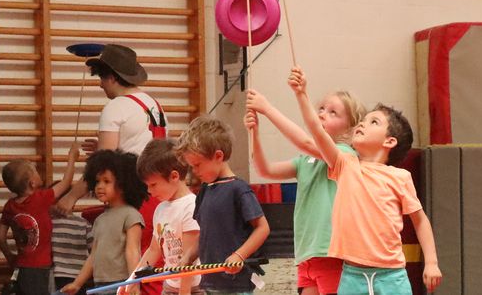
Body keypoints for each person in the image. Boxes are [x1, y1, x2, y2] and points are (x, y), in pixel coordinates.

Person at [288, 66, 443, 294]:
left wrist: (431, 262)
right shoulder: (344, 164)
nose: (362, 124)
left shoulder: (400, 177)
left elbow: (420, 221)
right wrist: (301, 95)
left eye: (373, 122)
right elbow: (317, 132)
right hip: (351, 276)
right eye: (363, 121)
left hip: (391, 276)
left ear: (389, 141)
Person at [56, 43, 168, 295]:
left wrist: (72, 196)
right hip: (158, 196)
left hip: (132, 199)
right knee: (154, 267)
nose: (100, 85)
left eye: (101, 79)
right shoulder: (154, 104)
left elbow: (105, 165)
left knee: (127, 264)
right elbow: (140, 147)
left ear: (112, 77)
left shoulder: (115, 107)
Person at [245, 87, 366, 295]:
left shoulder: (345, 155)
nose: (322, 114)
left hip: (330, 253)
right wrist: (254, 134)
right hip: (306, 255)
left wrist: (268, 109)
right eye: (321, 108)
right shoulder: (305, 161)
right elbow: (265, 170)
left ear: (350, 129)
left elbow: (306, 142)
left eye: (333, 112)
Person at [176, 116, 270, 295]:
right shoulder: (204, 191)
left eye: (197, 165)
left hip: (236, 285)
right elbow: (205, 233)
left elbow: (262, 228)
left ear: (218, 156)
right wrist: (189, 256)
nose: (194, 172)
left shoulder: (239, 189)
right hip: (210, 282)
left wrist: (239, 255)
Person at [60, 150, 148, 295]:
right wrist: (77, 283)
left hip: (121, 284)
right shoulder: (100, 220)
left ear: (122, 184)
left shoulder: (131, 215)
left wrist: (134, 284)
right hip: (99, 285)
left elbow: (133, 251)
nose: (99, 186)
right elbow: (93, 255)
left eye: (106, 181)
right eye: (97, 181)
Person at [0, 143, 80, 295]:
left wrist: (9, 256)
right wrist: (72, 157)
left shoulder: (9, 206)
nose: (37, 172)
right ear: (32, 183)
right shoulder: (40, 199)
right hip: (40, 269)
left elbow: (0, 236)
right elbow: (66, 182)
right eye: (35, 171)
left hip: (20, 267)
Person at [121, 139, 202, 295]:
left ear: (174, 176)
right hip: (169, 286)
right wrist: (133, 278)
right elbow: (153, 250)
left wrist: (184, 293)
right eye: (147, 186)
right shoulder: (160, 209)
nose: (149, 191)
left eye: (153, 185)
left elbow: (189, 259)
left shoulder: (191, 206)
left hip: (192, 288)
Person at [51, 200, 94, 294]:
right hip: (80, 275)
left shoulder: (50, 223)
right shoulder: (84, 223)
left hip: (60, 275)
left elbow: (94, 252)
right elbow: (94, 250)